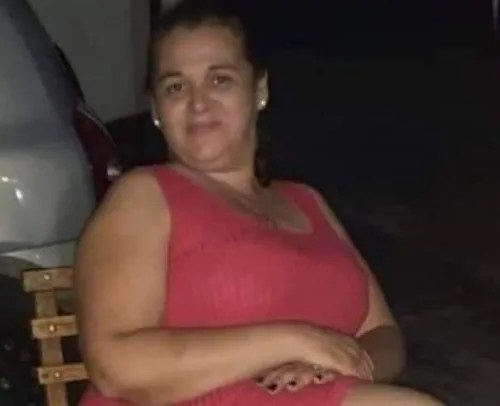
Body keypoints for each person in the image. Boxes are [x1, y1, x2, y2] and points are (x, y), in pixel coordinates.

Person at [74, 1, 444, 405]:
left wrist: (340, 364)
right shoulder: (144, 195)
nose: (198, 103)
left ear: (260, 90)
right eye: (175, 87)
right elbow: (115, 367)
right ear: (157, 110)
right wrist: (295, 340)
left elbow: (383, 334)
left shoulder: (307, 201)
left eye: (220, 80)